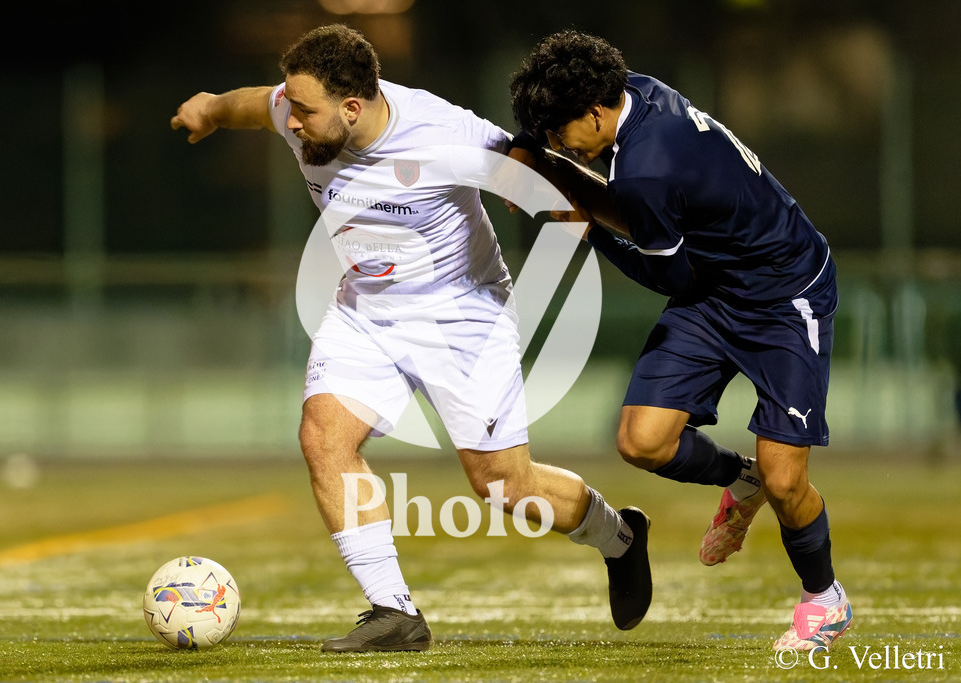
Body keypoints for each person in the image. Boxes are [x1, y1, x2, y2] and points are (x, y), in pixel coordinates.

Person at [170, 24, 651, 653]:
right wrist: (209, 107)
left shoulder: (443, 132)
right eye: (292, 108)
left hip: (462, 315)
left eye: (306, 113)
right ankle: (393, 611)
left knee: (504, 485)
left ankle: (619, 538)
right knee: (322, 436)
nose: (292, 123)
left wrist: (562, 203)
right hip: (364, 309)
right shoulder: (298, 107)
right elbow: (253, 105)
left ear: (352, 107)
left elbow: (535, 165)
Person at [507, 30, 852, 653]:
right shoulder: (634, 92)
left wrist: (590, 226)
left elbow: (665, 275)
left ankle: (824, 598)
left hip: (783, 295)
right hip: (718, 285)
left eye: (559, 131)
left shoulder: (646, 169)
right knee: (642, 442)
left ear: (593, 112)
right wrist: (537, 153)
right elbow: (589, 164)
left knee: (786, 482)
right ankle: (737, 478)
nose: (558, 144)